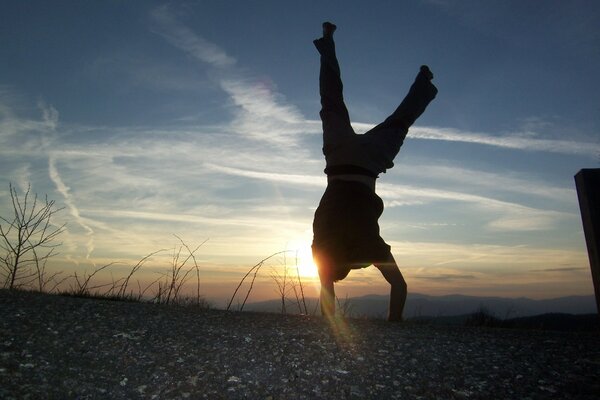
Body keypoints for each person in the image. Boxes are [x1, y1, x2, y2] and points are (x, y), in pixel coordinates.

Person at [311, 22, 438, 321]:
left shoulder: (370, 247)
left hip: (368, 164)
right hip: (339, 158)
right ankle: (327, 42)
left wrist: (394, 325)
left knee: (399, 122)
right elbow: (326, 290)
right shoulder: (323, 248)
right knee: (331, 101)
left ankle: (424, 82)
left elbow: (400, 285)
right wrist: (329, 319)